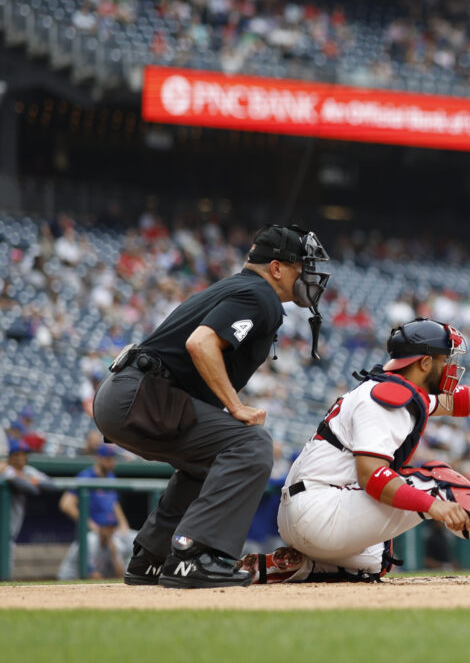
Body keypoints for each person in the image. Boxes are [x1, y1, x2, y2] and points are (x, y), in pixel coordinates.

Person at [240, 318, 470, 584]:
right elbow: (372, 477)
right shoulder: (386, 399)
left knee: (376, 560)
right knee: (436, 478)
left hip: (309, 511)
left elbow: (456, 402)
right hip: (320, 510)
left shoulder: (395, 389)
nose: (451, 366)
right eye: (444, 359)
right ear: (423, 363)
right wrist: (433, 504)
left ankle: (294, 566)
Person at [92, 224, 330, 588]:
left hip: (133, 394)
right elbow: (200, 343)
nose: (311, 276)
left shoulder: (244, 289)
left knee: (208, 460)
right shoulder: (259, 294)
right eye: (304, 266)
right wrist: (235, 407)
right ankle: (194, 555)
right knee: (251, 444)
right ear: (278, 268)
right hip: (143, 396)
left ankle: (152, 558)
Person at [56, 444, 134, 580]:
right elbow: (66, 504)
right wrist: (89, 524)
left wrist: (123, 524)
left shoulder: (111, 477)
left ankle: (134, 574)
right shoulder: (86, 476)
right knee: (93, 555)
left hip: (111, 529)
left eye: (112, 459)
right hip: (96, 531)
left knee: (135, 540)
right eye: (107, 459)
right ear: (99, 458)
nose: (111, 462)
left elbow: (114, 503)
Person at [3, 440, 54, 562]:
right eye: (17, 455)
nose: (21, 458)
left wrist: (30, 479)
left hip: (10, 528)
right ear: (10, 457)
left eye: (24, 454)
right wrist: (30, 480)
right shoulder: (6, 469)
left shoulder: (27, 471)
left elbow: (51, 484)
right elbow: (31, 489)